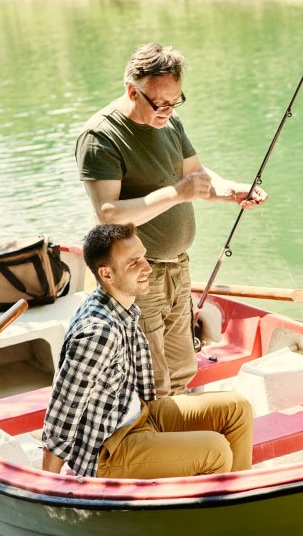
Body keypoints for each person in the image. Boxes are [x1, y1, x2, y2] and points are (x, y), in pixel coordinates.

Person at [75, 43, 268, 397]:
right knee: (150, 378)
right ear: (133, 90)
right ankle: (155, 447)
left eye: (175, 101)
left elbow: (195, 175)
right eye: (160, 103)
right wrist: (178, 192)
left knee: (181, 367)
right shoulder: (101, 136)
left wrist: (230, 191)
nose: (168, 110)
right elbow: (108, 212)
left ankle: (176, 440)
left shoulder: (169, 122)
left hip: (177, 270)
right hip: (135, 273)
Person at [42, 223, 253, 479]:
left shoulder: (122, 306)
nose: (147, 267)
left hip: (139, 415)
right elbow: (61, 415)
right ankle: (206, 514)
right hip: (109, 448)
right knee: (215, 450)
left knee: (236, 408)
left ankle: (237, 494)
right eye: (134, 263)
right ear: (107, 274)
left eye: (143, 256)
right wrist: (49, 484)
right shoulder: (97, 333)